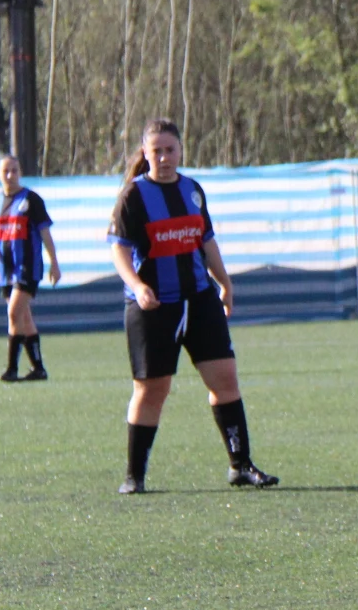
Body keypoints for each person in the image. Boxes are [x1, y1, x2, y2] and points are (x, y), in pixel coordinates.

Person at [106, 118, 278, 494]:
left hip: (199, 300)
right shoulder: (134, 195)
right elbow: (118, 250)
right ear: (145, 153)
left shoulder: (192, 190)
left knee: (225, 379)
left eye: (170, 150)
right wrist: (137, 286)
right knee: (153, 389)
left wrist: (225, 283)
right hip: (154, 307)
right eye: (156, 151)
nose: (164, 158)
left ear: (181, 150)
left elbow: (206, 240)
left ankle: (241, 465)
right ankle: (134, 476)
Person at [0, 154, 60, 381]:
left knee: (14, 312)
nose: (10, 175)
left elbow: (45, 233)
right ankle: (39, 368)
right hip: (6, 269)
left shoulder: (31, 200)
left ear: (20, 173)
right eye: (5, 171)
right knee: (24, 318)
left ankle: (12, 369)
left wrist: (54, 263)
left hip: (28, 267)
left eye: (14, 170)